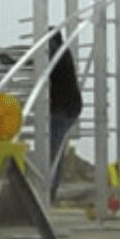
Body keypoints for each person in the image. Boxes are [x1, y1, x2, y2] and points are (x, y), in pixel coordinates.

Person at [45, 29, 83, 201]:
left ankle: (49, 190)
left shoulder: (58, 53)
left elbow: (40, 61)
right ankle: (50, 189)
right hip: (65, 108)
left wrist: (15, 62)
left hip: (63, 110)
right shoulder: (61, 52)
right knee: (54, 150)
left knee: (54, 151)